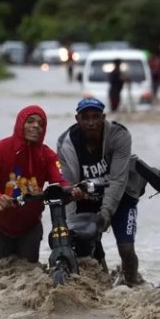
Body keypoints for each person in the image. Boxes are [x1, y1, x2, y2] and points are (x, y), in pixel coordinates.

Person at [57, 97, 146, 286]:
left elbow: (118, 179)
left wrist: (106, 211)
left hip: (122, 196)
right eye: (85, 117)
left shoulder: (119, 136)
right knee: (81, 246)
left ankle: (133, 286)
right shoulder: (66, 143)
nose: (91, 123)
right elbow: (68, 184)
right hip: (86, 198)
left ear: (103, 117)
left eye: (96, 117)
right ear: (77, 119)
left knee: (126, 249)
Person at [0, 105, 70, 264]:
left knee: (28, 278)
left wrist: (72, 191)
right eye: (30, 121)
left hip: (30, 227)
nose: (36, 126)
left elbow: (61, 181)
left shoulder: (48, 156)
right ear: (20, 124)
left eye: (41, 124)